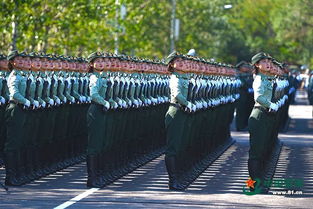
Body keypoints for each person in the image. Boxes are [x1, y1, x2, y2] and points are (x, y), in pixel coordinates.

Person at [248, 52, 279, 192]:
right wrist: (270, 105)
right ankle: (252, 186)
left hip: (266, 114)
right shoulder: (259, 79)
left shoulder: (266, 79)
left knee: (261, 151)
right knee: (255, 152)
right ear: (257, 65)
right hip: (260, 114)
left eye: (268, 61)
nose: (268, 64)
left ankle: (259, 183)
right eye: (264, 61)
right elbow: (259, 97)